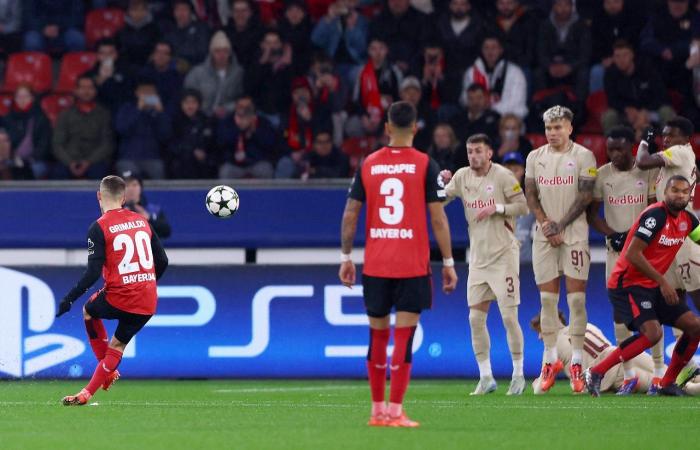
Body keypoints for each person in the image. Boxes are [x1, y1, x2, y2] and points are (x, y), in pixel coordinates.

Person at [339, 101, 458, 427]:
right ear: (416, 128)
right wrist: (448, 262)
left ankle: (377, 411)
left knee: (376, 338)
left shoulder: (369, 163)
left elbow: (350, 214)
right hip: (411, 265)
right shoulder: (424, 164)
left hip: (376, 266)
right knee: (403, 338)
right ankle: (395, 411)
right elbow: (438, 218)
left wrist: (346, 257)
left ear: (388, 127)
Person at [56, 175, 168, 406]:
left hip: (120, 297)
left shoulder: (98, 227)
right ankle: (88, 392)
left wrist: (69, 299)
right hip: (147, 300)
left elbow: (93, 273)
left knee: (89, 311)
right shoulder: (142, 221)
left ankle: (105, 371)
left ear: (99, 196)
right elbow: (163, 260)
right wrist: (145, 281)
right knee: (117, 346)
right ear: (124, 198)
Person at [586, 175, 700, 397]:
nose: (679, 195)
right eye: (674, 190)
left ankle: (667, 382)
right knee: (653, 333)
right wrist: (663, 282)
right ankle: (596, 371)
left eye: (684, 192)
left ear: (690, 194)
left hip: (652, 284)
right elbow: (633, 254)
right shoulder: (655, 216)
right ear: (664, 192)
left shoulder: (688, 219)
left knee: (695, 326)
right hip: (627, 283)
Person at [442, 134, 528, 395]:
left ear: (489, 153)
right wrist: (439, 183)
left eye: (478, 151)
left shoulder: (502, 176)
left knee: (508, 317)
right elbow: (440, 201)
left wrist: (497, 208)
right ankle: (486, 376)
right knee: (475, 318)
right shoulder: (462, 177)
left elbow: (523, 207)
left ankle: (518, 374)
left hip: (503, 255)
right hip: (478, 259)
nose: (473, 156)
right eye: (470, 151)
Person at [587, 126, 665, 395]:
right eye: (610, 150)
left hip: (644, 255)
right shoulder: (602, 175)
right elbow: (592, 215)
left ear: (632, 147)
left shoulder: (647, 172)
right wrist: (613, 234)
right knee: (620, 316)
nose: (614, 154)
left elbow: (656, 210)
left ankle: (658, 374)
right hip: (615, 254)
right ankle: (629, 374)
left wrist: (639, 237)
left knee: (651, 315)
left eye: (620, 149)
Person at [524, 105, 597, 393]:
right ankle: (550, 360)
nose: (552, 133)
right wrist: (544, 224)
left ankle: (577, 362)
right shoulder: (534, 157)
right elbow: (530, 193)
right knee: (547, 303)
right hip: (544, 237)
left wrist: (561, 225)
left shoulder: (583, 156)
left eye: (558, 127)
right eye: (548, 128)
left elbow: (587, 195)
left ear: (569, 127)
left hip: (574, 235)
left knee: (576, 301)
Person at [636, 118, 700, 314]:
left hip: (683, 235)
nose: (665, 139)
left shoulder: (679, 152)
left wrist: (645, 141)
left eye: (671, 135)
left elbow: (642, 161)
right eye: (663, 135)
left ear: (685, 138)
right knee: (675, 296)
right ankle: (681, 343)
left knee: (696, 292)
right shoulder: (677, 159)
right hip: (669, 235)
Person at [531, 312, 661, 395]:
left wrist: (535, 383)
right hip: (623, 354)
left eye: (540, 331)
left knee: (660, 387)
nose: (540, 337)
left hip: (608, 375)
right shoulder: (587, 325)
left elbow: (540, 390)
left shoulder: (552, 345)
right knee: (667, 377)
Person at [602, 40, 675, 135]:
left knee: (667, 112)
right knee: (609, 116)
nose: (621, 60)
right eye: (617, 56)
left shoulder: (647, 68)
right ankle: (614, 147)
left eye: (625, 55)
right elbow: (612, 100)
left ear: (632, 55)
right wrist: (626, 109)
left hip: (650, 111)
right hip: (626, 113)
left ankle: (670, 145)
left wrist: (645, 111)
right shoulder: (610, 73)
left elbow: (661, 96)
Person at [52, 76, 113, 180]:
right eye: (83, 88)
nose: (86, 91)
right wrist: (69, 162)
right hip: (69, 160)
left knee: (100, 174)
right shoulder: (65, 114)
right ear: (76, 90)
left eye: (90, 88)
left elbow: (107, 144)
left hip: (95, 161)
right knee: (57, 174)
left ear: (95, 91)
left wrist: (89, 162)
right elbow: (57, 144)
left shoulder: (104, 114)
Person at [114, 77, 171, 180]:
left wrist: (160, 114)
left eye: (150, 92)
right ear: (137, 93)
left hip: (152, 158)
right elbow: (121, 129)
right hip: (128, 158)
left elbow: (166, 134)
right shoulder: (127, 109)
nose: (147, 94)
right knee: (129, 178)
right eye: (144, 91)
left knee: (158, 171)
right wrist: (138, 110)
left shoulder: (158, 112)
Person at [460, 35, 528, 120]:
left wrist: (491, 109)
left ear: (501, 50)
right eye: (486, 48)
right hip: (477, 117)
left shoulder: (515, 72)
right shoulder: (471, 72)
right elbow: (464, 99)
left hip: (505, 119)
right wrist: (477, 104)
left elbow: (516, 103)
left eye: (494, 47)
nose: (490, 51)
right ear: (481, 50)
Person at [184, 31, 244, 118]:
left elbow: (243, 98)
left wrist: (227, 108)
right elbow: (188, 96)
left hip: (229, 118)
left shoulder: (239, 73)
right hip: (201, 117)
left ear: (230, 53)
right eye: (217, 51)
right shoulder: (196, 73)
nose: (221, 55)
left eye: (225, 51)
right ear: (211, 53)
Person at [1, 84, 52, 179]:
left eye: (26, 96)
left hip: (35, 160)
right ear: (14, 99)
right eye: (19, 97)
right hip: (12, 159)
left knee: (37, 168)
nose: (22, 100)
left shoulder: (41, 119)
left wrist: (30, 159)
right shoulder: (7, 118)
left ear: (32, 98)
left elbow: (44, 145)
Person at [502, 151, 534, 263]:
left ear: (522, 171)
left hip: (527, 265)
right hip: (501, 267)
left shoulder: (533, 203)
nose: (512, 174)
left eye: (515, 170)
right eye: (508, 170)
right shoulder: (494, 202)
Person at [123, 175, 171, 239]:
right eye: (127, 185)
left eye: (134, 185)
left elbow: (166, 232)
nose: (131, 189)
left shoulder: (154, 210)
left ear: (141, 187)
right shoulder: (115, 211)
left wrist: (149, 219)